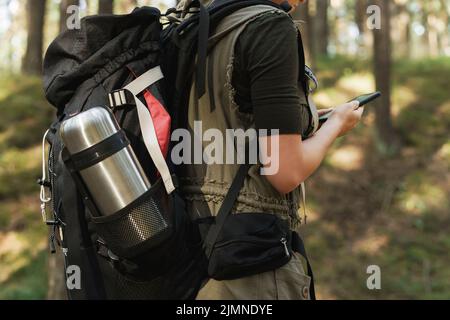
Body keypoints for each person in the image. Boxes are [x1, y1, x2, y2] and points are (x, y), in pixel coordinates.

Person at [176, 0, 364, 300]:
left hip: (186, 256)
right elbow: (284, 171)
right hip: (250, 265)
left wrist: (307, 124)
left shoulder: (196, 20)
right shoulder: (269, 26)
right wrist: (336, 126)